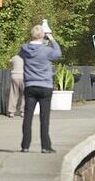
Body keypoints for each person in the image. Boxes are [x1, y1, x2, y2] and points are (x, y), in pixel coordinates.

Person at [19, 24, 61, 153]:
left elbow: (21, 55)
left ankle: (25, 145)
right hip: (45, 86)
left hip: (30, 85)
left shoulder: (25, 49)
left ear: (32, 35)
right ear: (42, 35)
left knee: (28, 117)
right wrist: (52, 39)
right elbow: (58, 54)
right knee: (44, 118)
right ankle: (45, 146)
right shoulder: (46, 50)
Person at [7, 54, 25, 118]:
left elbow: (9, 62)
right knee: (25, 95)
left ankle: (11, 112)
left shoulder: (14, 57)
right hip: (24, 76)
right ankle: (23, 112)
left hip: (14, 76)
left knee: (13, 94)